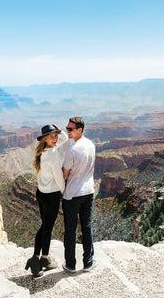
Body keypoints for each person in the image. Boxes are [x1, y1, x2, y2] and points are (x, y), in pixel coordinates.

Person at [25, 123, 68, 277]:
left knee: (44, 227)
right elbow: (58, 176)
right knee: (47, 229)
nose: (56, 138)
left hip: (41, 193)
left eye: (56, 135)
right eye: (52, 136)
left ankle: (40, 259)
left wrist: (59, 132)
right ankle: (40, 260)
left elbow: (62, 141)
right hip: (51, 196)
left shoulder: (42, 151)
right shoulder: (54, 154)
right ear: (45, 139)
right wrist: (64, 193)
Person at [61, 116, 97, 273]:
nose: (67, 131)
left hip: (73, 194)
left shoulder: (72, 150)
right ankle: (88, 262)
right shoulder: (91, 144)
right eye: (67, 128)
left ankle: (70, 264)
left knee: (70, 229)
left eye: (70, 129)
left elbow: (65, 174)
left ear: (79, 130)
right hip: (88, 191)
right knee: (86, 225)